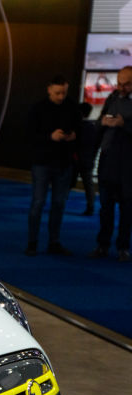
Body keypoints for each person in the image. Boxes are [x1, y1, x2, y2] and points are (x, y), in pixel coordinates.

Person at [26, 75, 80, 256]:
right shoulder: (38, 108)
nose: (60, 96)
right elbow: (29, 135)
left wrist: (73, 136)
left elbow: (80, 129)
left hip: (64, 162)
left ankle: (54, 242)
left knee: (59, 203)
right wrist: (50, 137)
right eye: (57, 93)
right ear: (49, 89)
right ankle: (32, 242)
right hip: (42, 162)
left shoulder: (72, 107)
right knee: (38, 202)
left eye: (63, 92)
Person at [91, 65, 132, 261]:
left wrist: (125, 125)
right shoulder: (112, 98)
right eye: (119, 84)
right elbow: (99, 122)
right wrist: (104, 123)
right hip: (108, 160)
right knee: (105, 207)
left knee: (127, 209)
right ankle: (102, 245)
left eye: (126, 84)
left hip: (128, 164)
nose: (122, 87)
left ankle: (123, 247)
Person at [74, 101, 100, 215]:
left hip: (75, 159)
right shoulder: (92, 128)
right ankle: (91, 206)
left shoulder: (76, 127)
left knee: (65, 183)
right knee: (88, 184)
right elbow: (96, 145)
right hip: (88, 160)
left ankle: (59, 204)